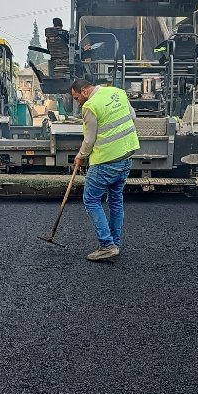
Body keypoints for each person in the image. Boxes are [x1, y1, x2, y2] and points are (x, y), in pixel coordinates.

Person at [71, 79, 140, 262]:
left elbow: (89, 140)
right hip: (126, 157)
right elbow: (132, 117)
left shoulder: (90, 106)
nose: (77, 102)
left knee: (91, 199)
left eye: (76, 97)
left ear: (84, 91)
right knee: (116, 200)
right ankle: (114, 244)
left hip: (105, 161)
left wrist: (80, 156)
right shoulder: (118, 92)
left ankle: (106, 245)